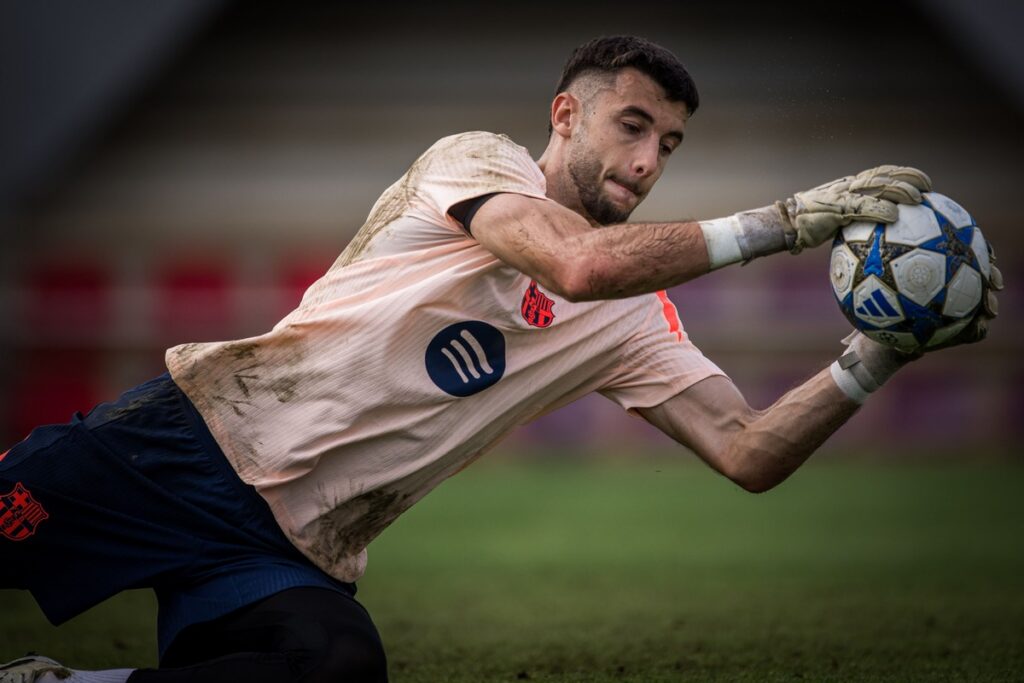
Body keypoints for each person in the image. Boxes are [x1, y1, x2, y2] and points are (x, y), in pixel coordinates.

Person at [0, 35, 1002, 683]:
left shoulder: (632, 314)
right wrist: (786, 222)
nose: (650, 161)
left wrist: (875, 354)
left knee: (334, 666)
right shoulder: (477, 163)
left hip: (287, 550)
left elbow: (747, 451)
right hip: (182, 441)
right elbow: (573, 261)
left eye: (672, 144)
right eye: (633, 125)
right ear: (566, 115)